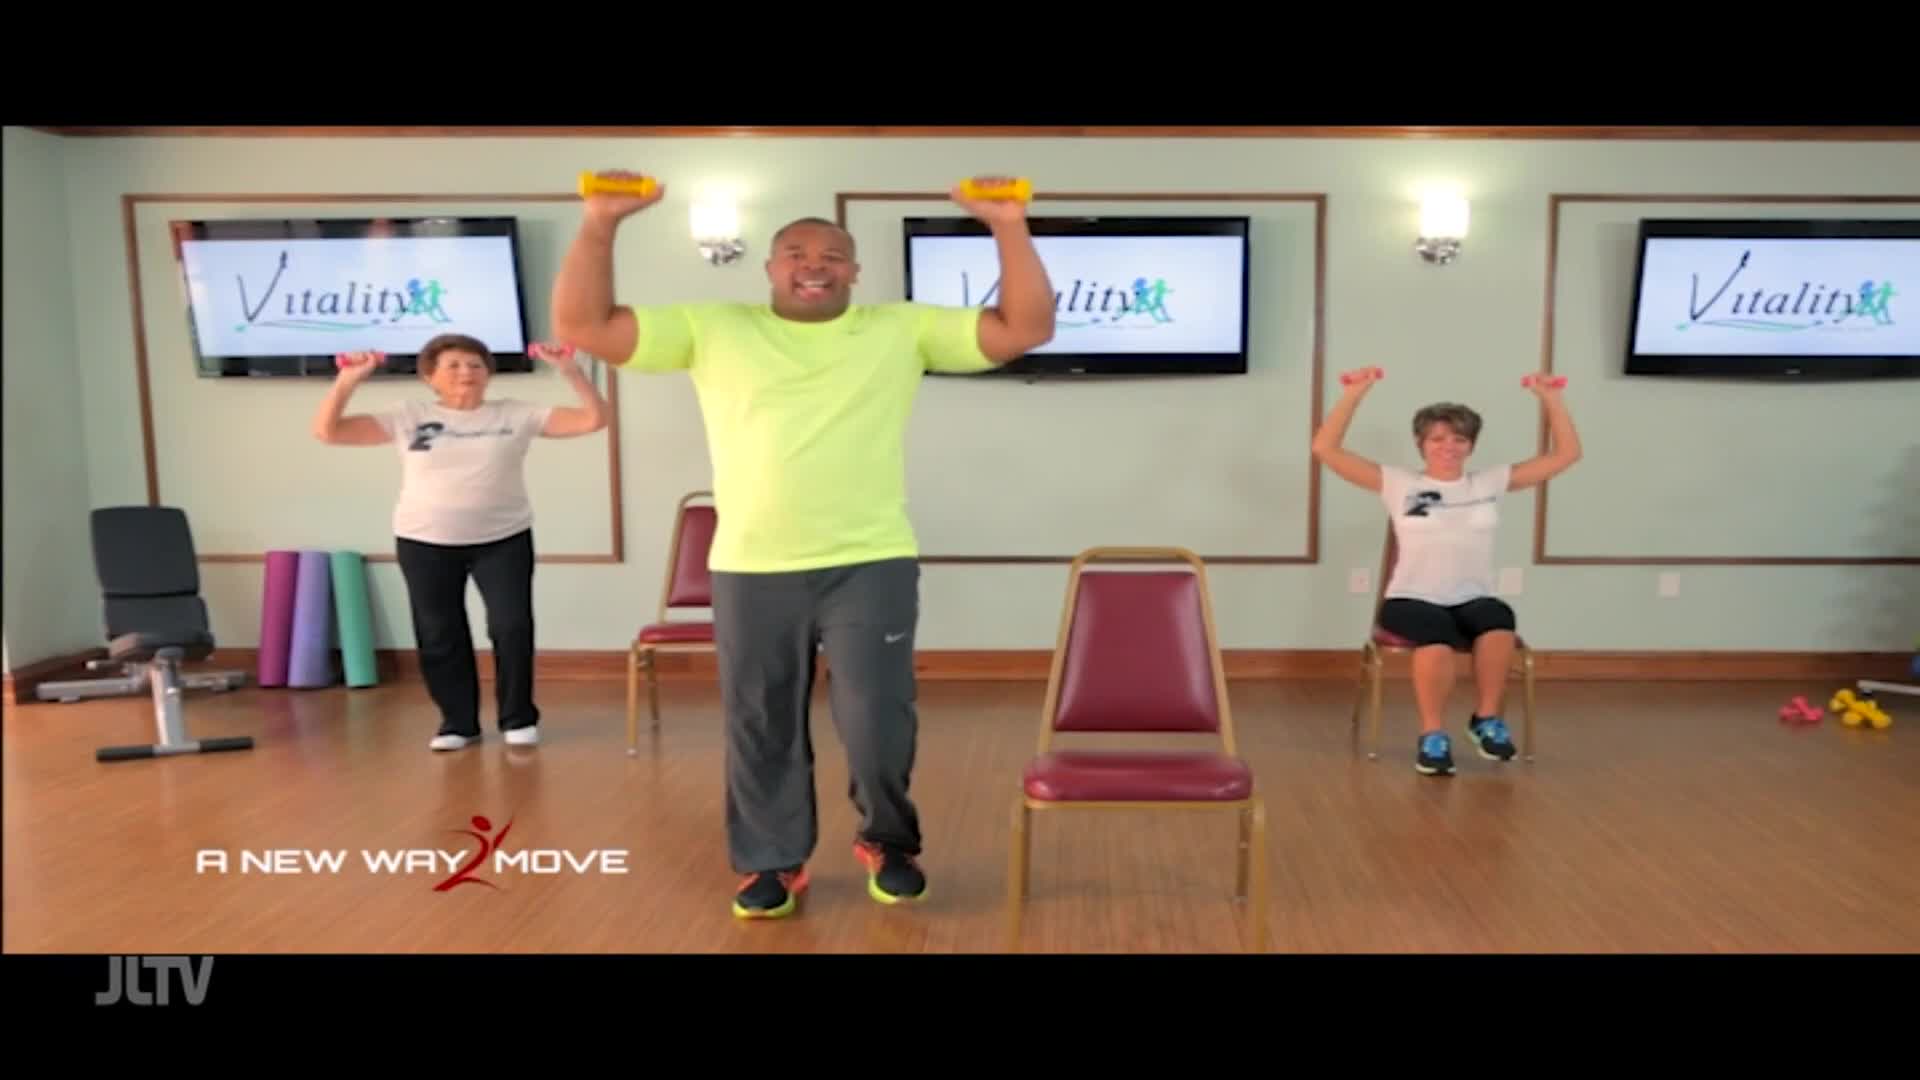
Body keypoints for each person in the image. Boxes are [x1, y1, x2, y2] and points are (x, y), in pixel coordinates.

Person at [551, 171, 1054, 918]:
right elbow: (585, 327)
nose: (812, 263)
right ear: (770, 269)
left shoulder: (901, 327)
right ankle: (771, 860)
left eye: (830, 254)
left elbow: (1026, 328)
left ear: (856, 270)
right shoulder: (712, 327)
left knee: (876, 717)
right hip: (754, 566)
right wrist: (600, 221)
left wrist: (1008, 225)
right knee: (760, 720)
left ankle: (889, 841)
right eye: (795, 251)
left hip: (870, 559)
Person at [310, 334, 611, 751]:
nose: (466, 373)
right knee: (439, 632)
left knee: (512, 626)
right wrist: (348, 380)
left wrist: (571, 371)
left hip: (503, 538)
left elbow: (593, 420)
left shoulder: (515, 414)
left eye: (475, 365)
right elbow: (329, 432)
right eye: (452, 365)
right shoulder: (408, 416)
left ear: (488, 374)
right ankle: (457, 722)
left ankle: (518, 717)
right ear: (430, 377)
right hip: (425, 539)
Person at [1311, 367, 1582, 776]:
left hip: (1471, 596)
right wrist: (1355, 393)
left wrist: (1552, 400)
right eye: (1438, 438)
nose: (1448, 447)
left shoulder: (1487, 482)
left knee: (1498, 619)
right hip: (1411, 598)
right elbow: (1325, 449)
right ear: (1422, 444)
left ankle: (1486, 720)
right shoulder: (1399, 483)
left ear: (1471, 445)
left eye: (1459, 439)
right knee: (1434, 638)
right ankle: (1433, 736)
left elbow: (1566, 455)